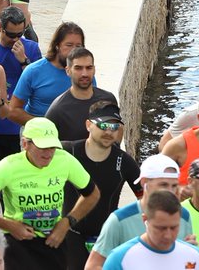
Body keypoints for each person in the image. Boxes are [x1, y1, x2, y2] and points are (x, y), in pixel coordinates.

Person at [0, 118, 100, 270]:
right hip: (17, 243)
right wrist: (9, 226)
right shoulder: (9, 166)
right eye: (42, 147)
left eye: (52, 147)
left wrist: (67, 222)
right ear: (25, 144)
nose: (48, 153)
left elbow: (92, 194)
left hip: (54, 241)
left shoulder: (64, 160)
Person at [60, 101, 139, 270]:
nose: (109, 131)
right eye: (103, 125)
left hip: (107, 238)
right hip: (71, 236)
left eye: (114, 127)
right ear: (89, 125)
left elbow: (148, 199)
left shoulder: (124, 161)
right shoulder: (68, 152)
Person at [86, 154, 193, 269]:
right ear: (144, 182)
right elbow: (93, 266)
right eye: (164, 185)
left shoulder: (184, 216)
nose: (170, 192)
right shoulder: (119, 220)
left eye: (174, 186)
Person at [101, 190, 199, 270]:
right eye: (161, 228)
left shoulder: (194, 255)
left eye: (174, 227)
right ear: (145, 219)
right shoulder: (120, 258)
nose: (168, 235)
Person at [9, 22, 86, 124]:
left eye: (78, 46)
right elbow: (13, 111)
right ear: (57, 46)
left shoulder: (85, 73)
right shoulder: (34, 71)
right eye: (69, 45)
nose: (74, 50)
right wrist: (45, 125)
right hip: (38, 135)